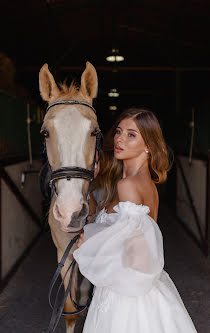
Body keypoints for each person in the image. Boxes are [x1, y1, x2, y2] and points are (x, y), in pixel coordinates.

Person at [73, 108, 197, 332]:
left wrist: (90, 240)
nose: (120, 138)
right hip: (139, 290)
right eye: (119, 131)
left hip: (125, 299)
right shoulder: (143, 183)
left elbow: (137, 258)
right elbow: (121, 232)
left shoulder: (128, 185)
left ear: (148, 145)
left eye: (131, 135)